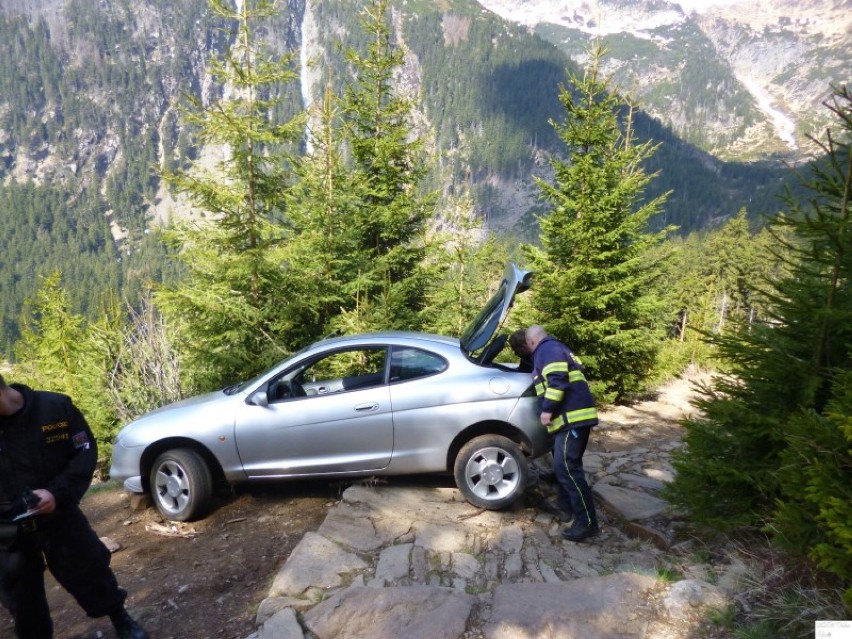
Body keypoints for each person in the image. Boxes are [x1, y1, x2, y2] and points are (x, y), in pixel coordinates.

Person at [0, 374, 149, 639]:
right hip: (8, 528)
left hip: (58, 513)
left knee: (90, 568)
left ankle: (120, 619)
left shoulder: (54, 408)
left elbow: (84, 452)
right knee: (20, 597)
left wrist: (56, 493)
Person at [522, 325, 600, 541]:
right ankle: (565, 508)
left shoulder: (547, 350)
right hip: (572, 419)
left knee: (566, 468)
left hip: (572, 420)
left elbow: (557, 380)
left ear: (531, 342)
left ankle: (587, 523)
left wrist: (547, 411)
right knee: (563, 466)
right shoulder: (555, 348)